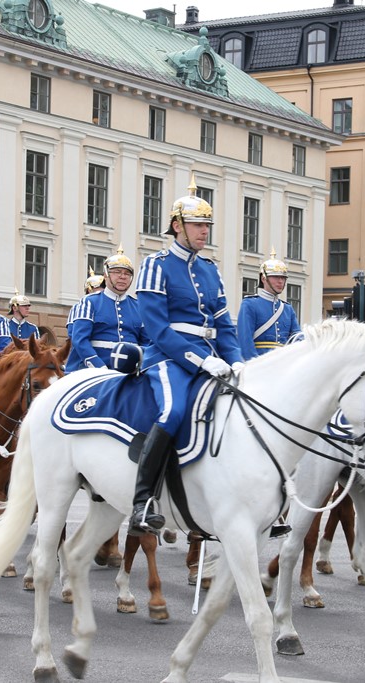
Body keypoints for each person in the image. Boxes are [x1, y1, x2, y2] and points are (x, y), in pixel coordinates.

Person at [129, 179, 244, 534]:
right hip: (166, 357)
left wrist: (237, 359)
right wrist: (200, 360)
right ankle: (143, 501)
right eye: (197, 225)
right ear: (177, 226)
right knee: (174, 410)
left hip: (212, 356)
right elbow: (158, 328)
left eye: (207, 226)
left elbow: (225, 324)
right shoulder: (155, 264)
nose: (204, 232)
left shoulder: (210, 270)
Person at [67, 247, 148, 372]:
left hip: (131, 372)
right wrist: (99, 367)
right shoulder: (89, 302)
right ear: (106, 275)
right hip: (93, 370)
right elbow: (80, 340)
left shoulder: (139, 306)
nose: (122, 277)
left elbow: (147, 343)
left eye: (127, 273)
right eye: (117, 272)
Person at [237, 250, 301, 360]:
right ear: (263, 278)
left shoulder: (287, 309)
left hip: (284, 363)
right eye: (276, 277)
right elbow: (245, 342)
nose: (280, 281)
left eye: (283, 278)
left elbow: (298, 338)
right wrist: (254, 366)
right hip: (259, 363)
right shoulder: (250, 304)